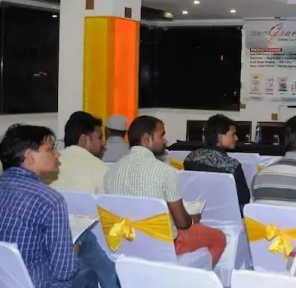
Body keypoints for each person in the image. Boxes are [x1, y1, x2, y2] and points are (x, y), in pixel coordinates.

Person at [0, 124, 122, 288]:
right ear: (30, 156)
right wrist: (71, 251)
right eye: (51, 149)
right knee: (89, 268)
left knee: (85, 237)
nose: (58, 154)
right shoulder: (50, 199)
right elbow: (64, 272)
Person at [104, 116, 226, 266]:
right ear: (147, 139)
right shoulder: (165, 172)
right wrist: (192, 219)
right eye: (161, 135)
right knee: (219, 237)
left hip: (126, 242)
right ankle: (196, 278)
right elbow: (182, 223)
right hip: (165, 245)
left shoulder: (111, 171)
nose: (165, 140)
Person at [183, 114, 251, 209]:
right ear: (219, 137)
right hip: (226, 213)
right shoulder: (232, 165)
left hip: (197, 211)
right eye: (233, 134)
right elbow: (244, 198)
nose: (236, 138)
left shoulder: (190, 158)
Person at [50, 111, 107, 194]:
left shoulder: (47, 165)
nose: (104, 142)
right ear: (84, 139)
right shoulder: (101, 169)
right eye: (99, 137)